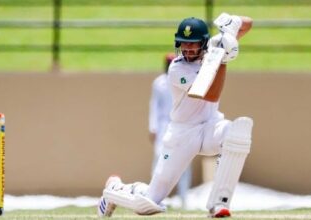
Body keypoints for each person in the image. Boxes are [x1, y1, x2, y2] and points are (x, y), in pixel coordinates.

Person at [98, 12, 253, 218]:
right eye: (183, 43)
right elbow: (211, 95)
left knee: (234, 135)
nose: (187, 48)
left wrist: (231, 29)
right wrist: (223, 60)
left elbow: (248, 24)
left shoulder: (214, 49)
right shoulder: (177, 69)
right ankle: (114, 190)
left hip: (210, 127)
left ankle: (218, 204)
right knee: (149, 203)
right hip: (182, 134)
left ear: (204, 43)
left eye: (193, 44)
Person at [148, 53, 192, 208]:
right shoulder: (158, 83)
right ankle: (155, 196)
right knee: (159, 157)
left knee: (184, 160)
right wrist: (152, 127)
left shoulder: (183, 80)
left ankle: (184, 198)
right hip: (163, 125)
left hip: (180, 124)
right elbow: (154, 106)